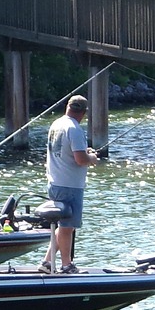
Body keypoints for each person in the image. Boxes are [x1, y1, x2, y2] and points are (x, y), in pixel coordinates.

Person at [39, 95, 99, 274]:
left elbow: (68, 152)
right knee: (67, 227)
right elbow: (81, 160)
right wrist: (93, 158)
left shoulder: (56, 124)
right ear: (84, 113)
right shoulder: (75, 129)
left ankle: (47, 262)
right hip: (70, 186)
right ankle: (67, 265)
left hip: (55, 183)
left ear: (68, 107)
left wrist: (84, 153)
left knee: (64, 226)